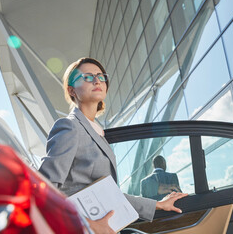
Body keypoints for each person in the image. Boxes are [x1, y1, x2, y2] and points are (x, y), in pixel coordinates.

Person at [38, 57, 187, 234]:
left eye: (100, 76)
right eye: (87, 77)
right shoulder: (69, 127)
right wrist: (88, 225)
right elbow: (43, 190)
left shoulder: (98, 133)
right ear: (71, 90)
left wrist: (158, 204)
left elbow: (109, 196)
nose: (96, 81)